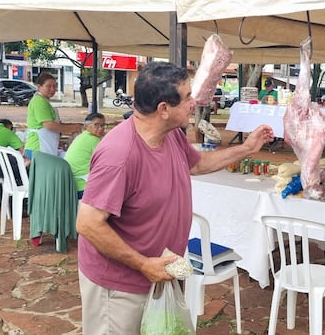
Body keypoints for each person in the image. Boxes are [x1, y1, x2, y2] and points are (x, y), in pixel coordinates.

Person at [76, 62, 274, 334]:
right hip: (119, 287)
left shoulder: (171, 136)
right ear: (164, 109)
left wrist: (247, 148)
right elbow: (87, 223)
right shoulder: (119, 155)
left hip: (157, 275)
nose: (194, 103)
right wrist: (143, 264)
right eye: (187, 97)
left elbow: (198, 164)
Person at [25, 72, 82, 158]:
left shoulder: (44, 101)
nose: (52, 89)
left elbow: (57, 124)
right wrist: (74, 128)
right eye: (48, 86)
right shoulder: (39, 101)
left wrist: (74, 126)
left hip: (45, 146)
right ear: (39, 87)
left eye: (55, 86)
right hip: (38, 147)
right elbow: (49, 125)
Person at [64, 113, 106, 199]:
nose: (100, 128)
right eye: (96, 125)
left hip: (71, 185)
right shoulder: (93, 140)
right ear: (87, 126)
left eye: (102, 125)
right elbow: (106, 161)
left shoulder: (82, 136)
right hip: (83, 187)